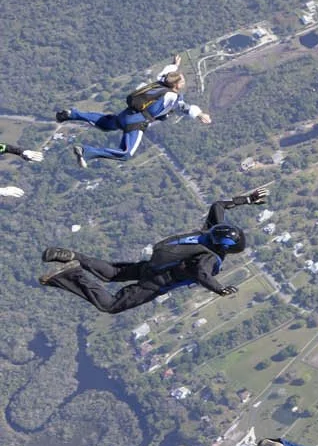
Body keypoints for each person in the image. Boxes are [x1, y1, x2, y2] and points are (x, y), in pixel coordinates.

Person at [41, 188, 266, 313]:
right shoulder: (210, 257)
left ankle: (73, 256)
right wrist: (219, 289)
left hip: (152, 266)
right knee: (109, 305)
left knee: (112, 272)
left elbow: (217, 205)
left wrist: (245, 200)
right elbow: (201, 274)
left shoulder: (208, 231)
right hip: (155, 284)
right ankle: (72, 273)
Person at [54, 67, 203, 164]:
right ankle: (87, 152)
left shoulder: (160, 83)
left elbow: (165, 73)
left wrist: (174, 65)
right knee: (125, 154)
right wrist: (200, 114)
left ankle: (72, 114)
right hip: (137, 123)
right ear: (177, 85)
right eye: (182, 81)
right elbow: (184, 108)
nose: (184, 83)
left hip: (127, 114)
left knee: (107, 123)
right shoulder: (172, 96)